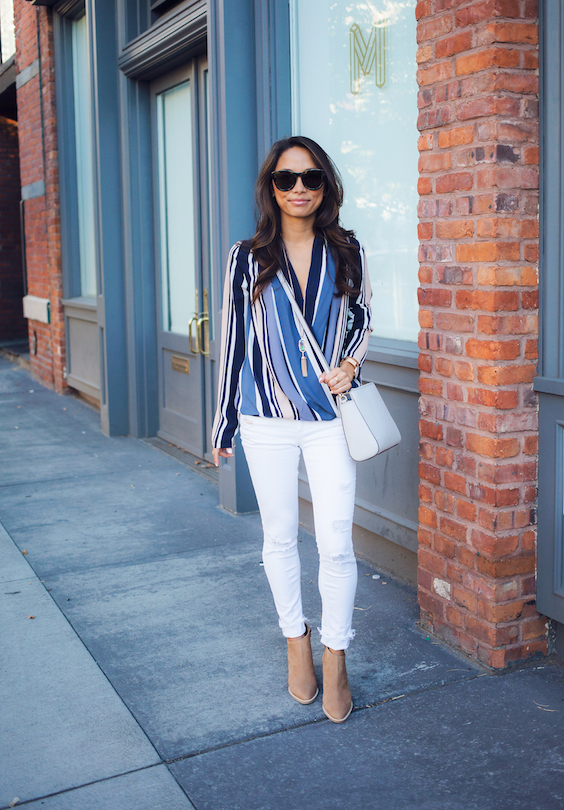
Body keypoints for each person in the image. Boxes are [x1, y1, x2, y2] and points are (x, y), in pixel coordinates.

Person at [212, 136, 371, 724]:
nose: (299, 188)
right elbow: (233, 342)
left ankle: (336, 656)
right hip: (264, 418)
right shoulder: (246, 258)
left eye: (310, 178)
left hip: (329, 419)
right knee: (279, 537)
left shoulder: (346, 249)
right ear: (271, 187)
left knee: (335, 541)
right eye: (286, 179)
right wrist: (224, 419)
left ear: (325, 185)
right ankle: (295, 641)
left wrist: (350, 362)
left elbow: (361, 318)